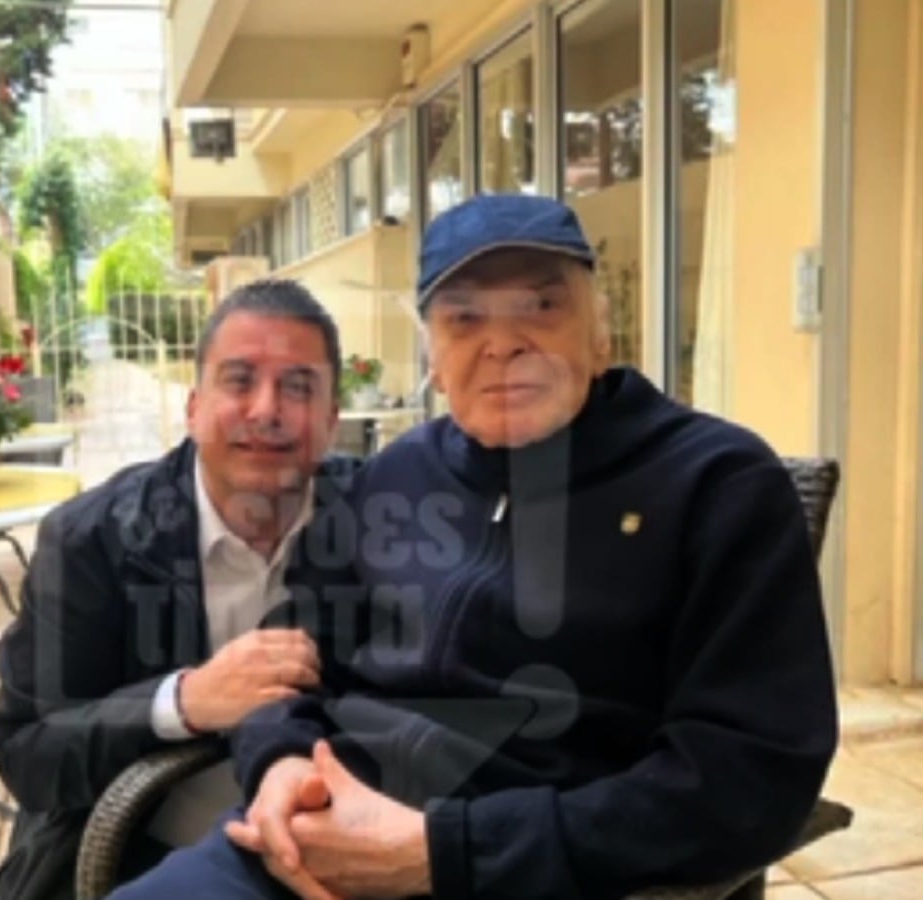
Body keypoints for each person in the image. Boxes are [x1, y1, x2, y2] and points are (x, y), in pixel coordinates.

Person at [106, 193, 840, 899]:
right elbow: (290, 654)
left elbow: (752, 773)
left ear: (601, 332)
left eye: (542, 306)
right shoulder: (393, 478)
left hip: (540, 870)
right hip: (313, 841)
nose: (503, 343)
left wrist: (441, 854)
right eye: (464, 317)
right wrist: (281, 764)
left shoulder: (718, 485)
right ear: (432, 353)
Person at [0, 278, 361, 900]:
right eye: (239, 381)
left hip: (336, 849)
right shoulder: (90, 541)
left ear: (330, 422)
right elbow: (28, 753)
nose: (265, 410)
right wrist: (181, 702)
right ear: (193, 408)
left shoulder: (376, 515)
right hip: (151, 855)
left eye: (298, 387)